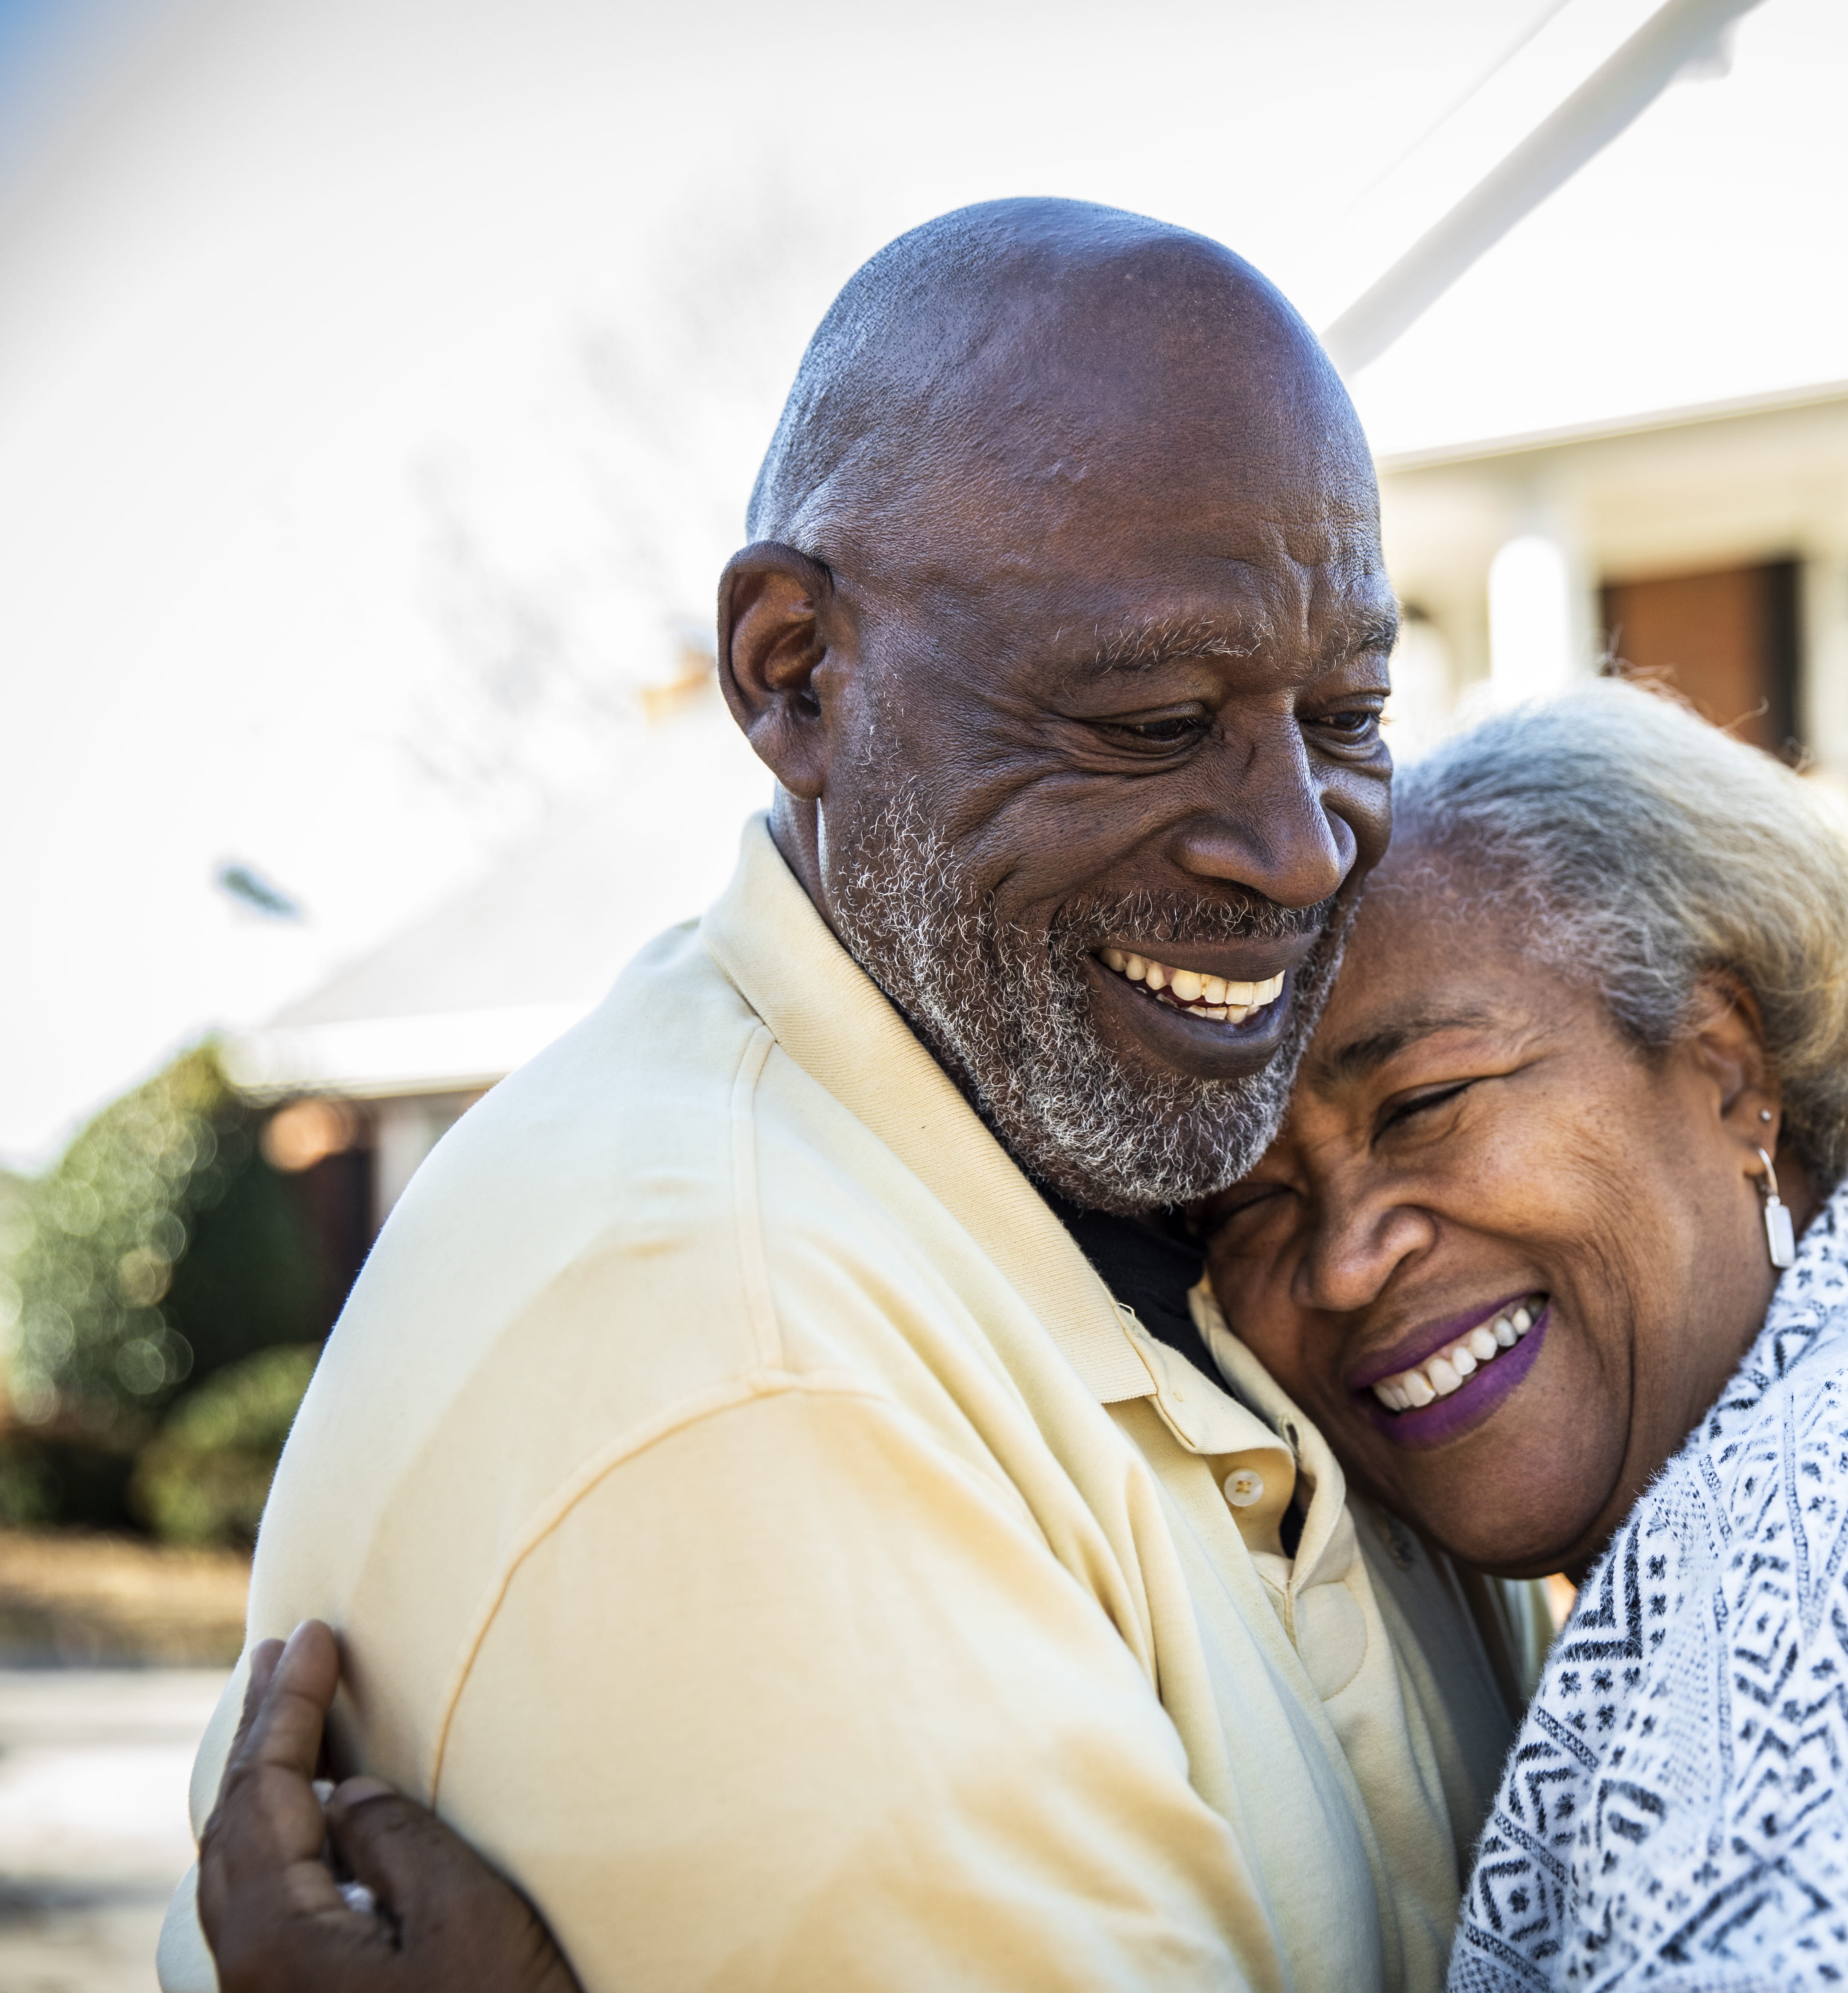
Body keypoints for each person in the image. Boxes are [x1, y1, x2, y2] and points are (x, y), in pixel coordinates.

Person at [204, 685, 1848, 1991]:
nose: (1357, 1251)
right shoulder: (1719, 1546)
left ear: (1729, 1063)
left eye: (1435, 1103)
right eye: (1261, 1205)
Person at [169, 197, 1545, 1993]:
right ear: (794, 674)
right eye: (1146, 720)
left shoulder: (1197, 1203)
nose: (1297, 850)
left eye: (1350, 712)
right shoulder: (733, 1349)